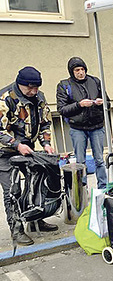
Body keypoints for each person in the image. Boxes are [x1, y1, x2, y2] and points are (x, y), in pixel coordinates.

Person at [0, 67, 56, 246]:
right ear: (20, 84)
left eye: (36, 88)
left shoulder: (39, 97)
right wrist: (16, 144)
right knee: (12, 192)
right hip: (5, 152)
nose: (33, 92)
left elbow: (45, 122)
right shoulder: (5, 98)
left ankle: (35, 220)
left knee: (35, 186)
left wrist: (46, 143)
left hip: (28, 149)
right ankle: (17, 230)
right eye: (29, 88)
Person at [56, 57, 110, 189]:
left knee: (99, 160)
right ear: (72, 72)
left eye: (82, 69)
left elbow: (108, 103)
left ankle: (103, 188)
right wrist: (79, 105)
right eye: (77, 70)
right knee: (80, 161)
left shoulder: (95, 81)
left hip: (96, 126)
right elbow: (62, 109)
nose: (80, 72)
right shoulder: (64, 85)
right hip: (77, 128)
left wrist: (101, 103)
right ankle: (81, 189)